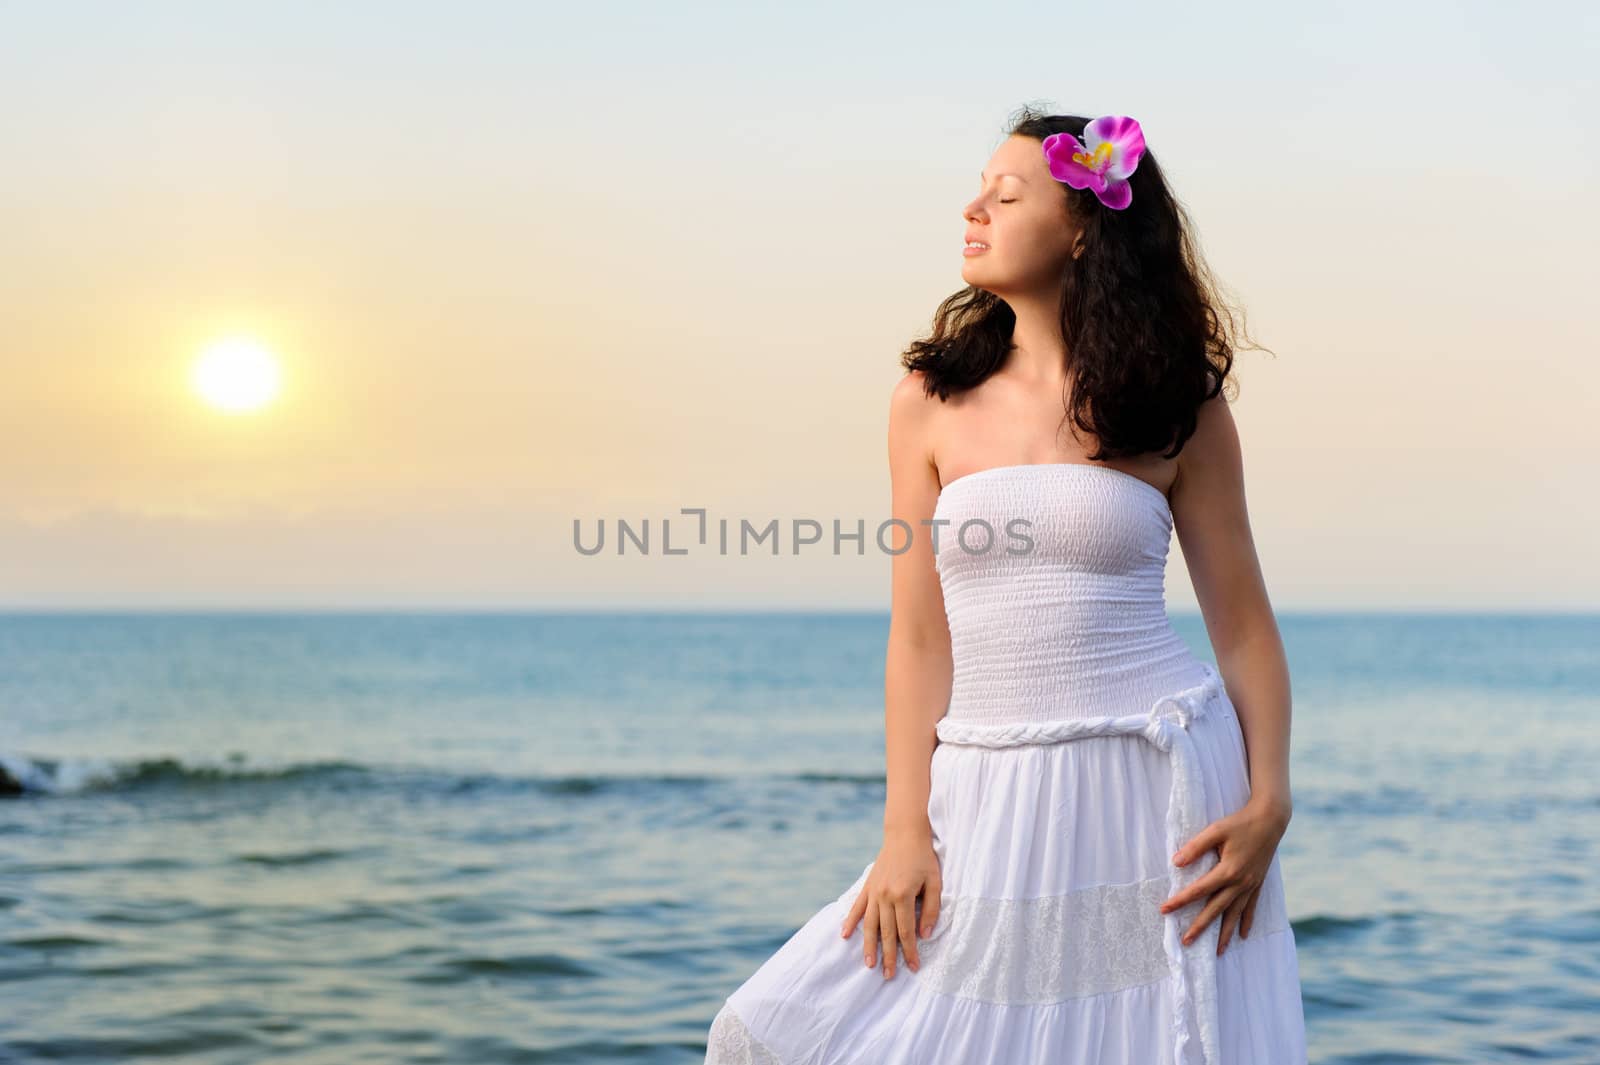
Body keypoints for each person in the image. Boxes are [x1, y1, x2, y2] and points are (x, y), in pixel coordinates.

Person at [703, 107, 1308, 1064]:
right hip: (984, 783)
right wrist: (905, 826)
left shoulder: (1174, 401)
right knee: (768, 1034)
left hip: (1158, 787)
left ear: (1081, 226)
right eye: (979, 188)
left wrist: (1271, 795)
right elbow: (918, 637)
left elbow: (1242, 627)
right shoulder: (927, 402)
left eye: (1006, 192)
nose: (972, 206)